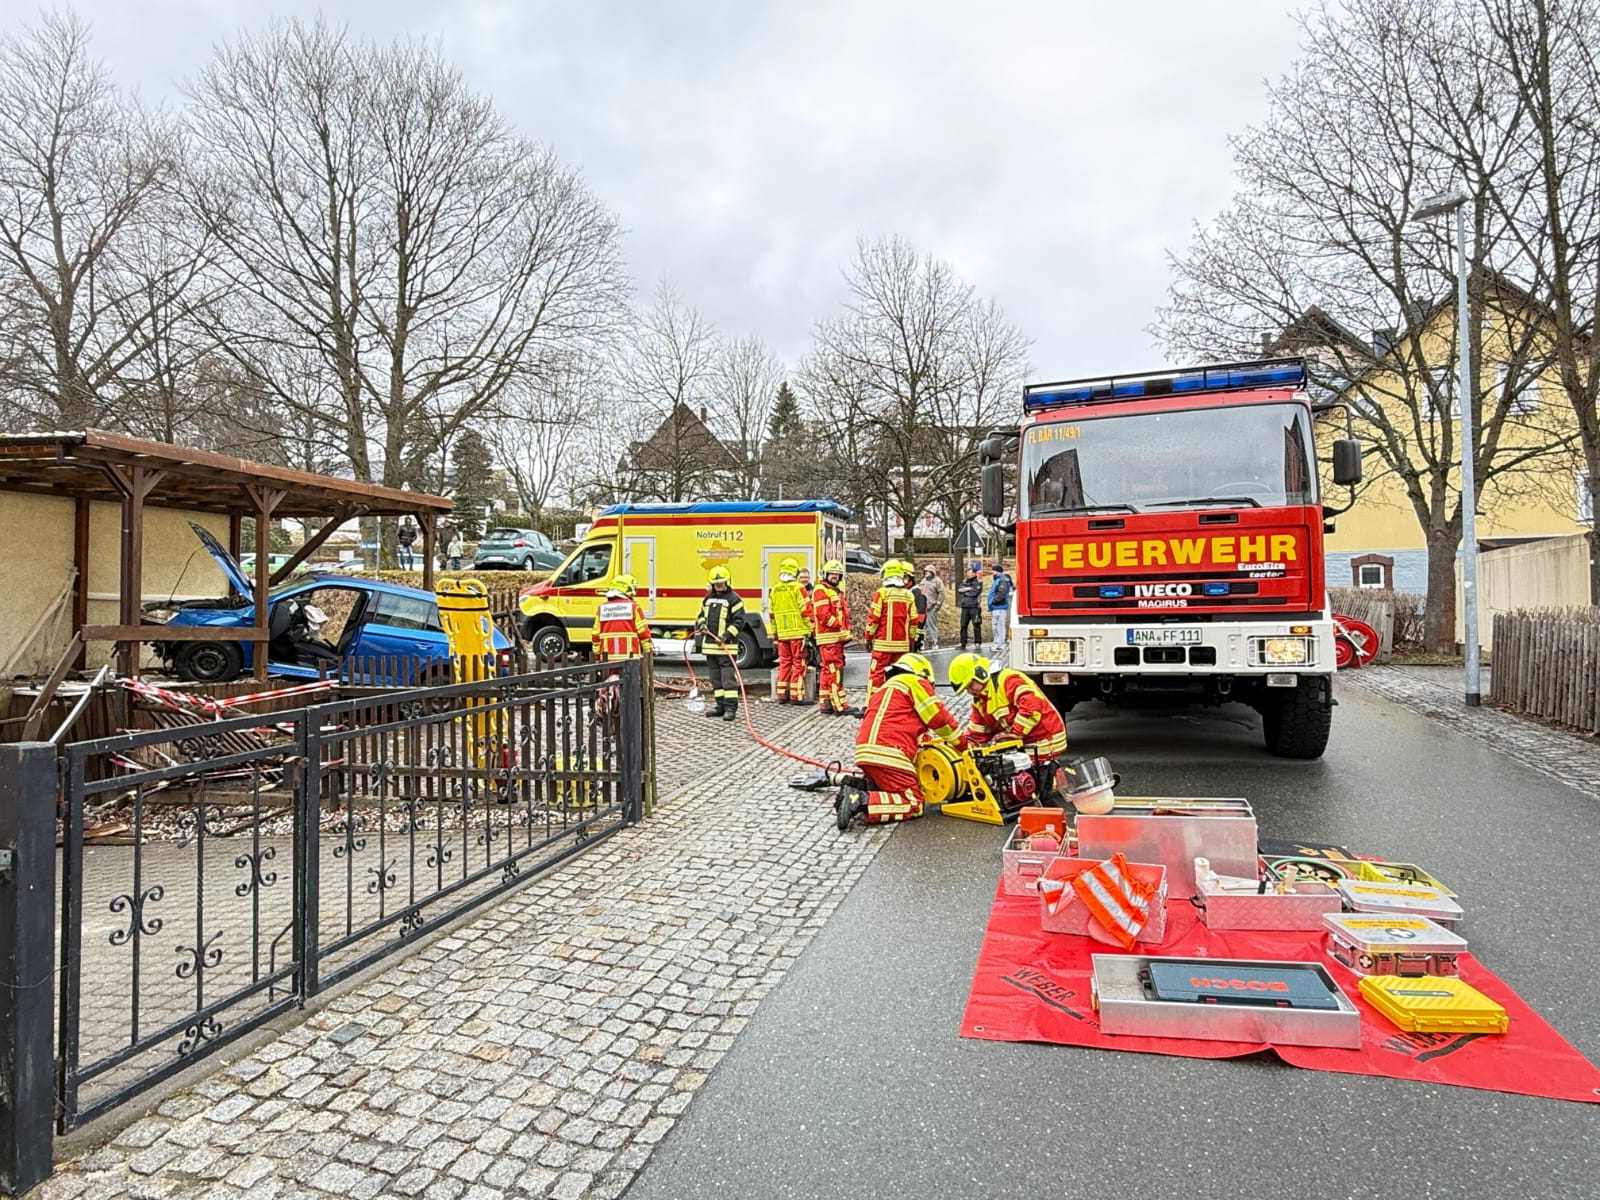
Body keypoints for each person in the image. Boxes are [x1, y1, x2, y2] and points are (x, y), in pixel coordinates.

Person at [832, 652, 962, 831]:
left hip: (865, 751)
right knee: (913, 802)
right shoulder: (915, 683)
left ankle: (859, 789)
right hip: (890, 754)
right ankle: (861, 800)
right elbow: (940, 720)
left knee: (886, 790)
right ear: (923, 674)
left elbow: (914, 735)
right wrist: (962, 745)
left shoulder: (885, 689)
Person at [947, 653, 1068, 765]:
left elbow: (1032, 707)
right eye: (965, 689)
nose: (969, 691)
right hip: (1027, 742)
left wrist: (1014, 734)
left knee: (1021, 779)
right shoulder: (980, 700)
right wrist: (963, 748)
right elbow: (977, 734)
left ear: (980, 673)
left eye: (970, 685)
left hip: (1045, 740)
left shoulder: (1007, 679)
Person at [694, 566, 748, 721]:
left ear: (727, 582)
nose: (719, 586)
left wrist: (725, 636)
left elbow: (739, 622)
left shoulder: (734, 599)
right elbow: (701, 616)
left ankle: (731, 708)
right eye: (716, 584)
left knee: (727, 679)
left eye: (721, 583)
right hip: (710, 647)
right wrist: (702, 625)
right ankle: (720, 706)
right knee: (715, 679)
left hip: (726, 648)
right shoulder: (707, 599)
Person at [865, 559, 921, 700]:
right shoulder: (908, 595)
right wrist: (911, 640)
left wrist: (868, 638)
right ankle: (894, 703)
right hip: (902, 646)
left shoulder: (882, 593)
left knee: (877, 674)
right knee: (897, 676)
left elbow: (874, 619)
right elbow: (914, 621)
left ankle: (873, 703)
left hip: (882, 645)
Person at [804, 559, 854, 715]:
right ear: (825, 574)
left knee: (827, 671)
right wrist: (839, 626)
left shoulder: (834, 591)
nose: (834, 576)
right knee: (834, 671)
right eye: (832, 573)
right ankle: (839, 705)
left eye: (837, 574)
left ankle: (826, 704)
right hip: (829, 638)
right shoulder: (821, 590)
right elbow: (823, 615)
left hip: (834, 638)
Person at [769, 556, 812, 704]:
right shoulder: (798, 588)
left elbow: (772, 615)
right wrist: (810, 629)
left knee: (785, 663)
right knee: (799, 664)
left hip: (782, 635)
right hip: (798, 633)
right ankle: (796, 696)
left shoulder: (774, 589)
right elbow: (806, 610)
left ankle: (781, 694)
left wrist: (775, 635)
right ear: (795, 572)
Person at [591, 574, 652, 662]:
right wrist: (648, 653)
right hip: (630, 660)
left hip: (607, 661)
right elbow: (644, 634)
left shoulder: (602, 609)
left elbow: (595, 635)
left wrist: (597, 657)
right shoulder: (634, 608)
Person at [956, 562, 984, 650]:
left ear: (974, 573)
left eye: (969, 572)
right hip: (965, 607)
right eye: (967, 573)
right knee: (963, 626)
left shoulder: (978, 582)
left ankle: (978, 642)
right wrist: (969, 589)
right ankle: (963, 643)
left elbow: (975, 593)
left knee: (976, 625)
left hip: (975, 607)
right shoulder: (964, 581)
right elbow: (960, 590)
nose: (968, 574)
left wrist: (967, 591)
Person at [918, 564, 945, 651]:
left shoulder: (937, 581)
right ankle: (922, 642)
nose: (926, 573)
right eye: (925, 571)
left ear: (932, 572)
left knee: (932, 626)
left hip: (931, 607)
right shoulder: (923, 581)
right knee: (922, 627)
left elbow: (941, 593)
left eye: (928, 571)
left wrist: (937, 605)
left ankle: (935, 642)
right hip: (922, 608)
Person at [987, 560, 1013, 652]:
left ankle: (1000, 643)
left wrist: (994, 601)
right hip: (996, 607)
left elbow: (1002, 592)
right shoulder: (998, 580)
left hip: (999, 606)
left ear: (997, 571)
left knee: (999, 626)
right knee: (995, 625)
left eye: (993, 571)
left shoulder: (1002, 580)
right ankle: (997, 642)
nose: (992, 572)